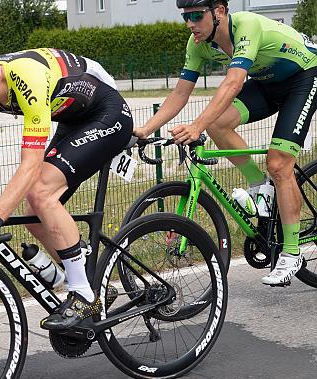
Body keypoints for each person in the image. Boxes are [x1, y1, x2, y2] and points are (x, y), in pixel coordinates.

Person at [0, 27, 133, 331]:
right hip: (73, 118)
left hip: (107, 114)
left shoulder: (25, 76)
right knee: (33, 217)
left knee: (41, 192)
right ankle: (91, 283)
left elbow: (30, 165)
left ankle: (84, 294)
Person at [134, 0, 317, 286]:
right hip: (268, 82)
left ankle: (292, 252)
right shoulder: (197, 44)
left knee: (279, 164)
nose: (189, 23)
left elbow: (232, 84)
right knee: (219, 124)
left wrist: (196, 126)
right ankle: (260, 185)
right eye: (185, 17)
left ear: (219, 12)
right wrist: (145, 129)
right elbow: (180, 94)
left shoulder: (246, 25)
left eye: (196, 16)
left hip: (305, 76)